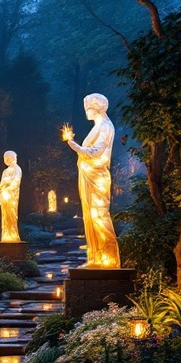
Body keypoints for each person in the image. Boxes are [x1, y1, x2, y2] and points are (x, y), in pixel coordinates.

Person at [66, 93, 120, 268]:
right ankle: (96, 257)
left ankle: (109, 258)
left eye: (87, 108)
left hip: (97, 177)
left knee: (99, 215)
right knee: (90, 217)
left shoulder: (105, 126)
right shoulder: (98, 126)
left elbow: (95, 152)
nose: (86, 112)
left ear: (94, 107)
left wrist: (73, 145)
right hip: (89, 176)